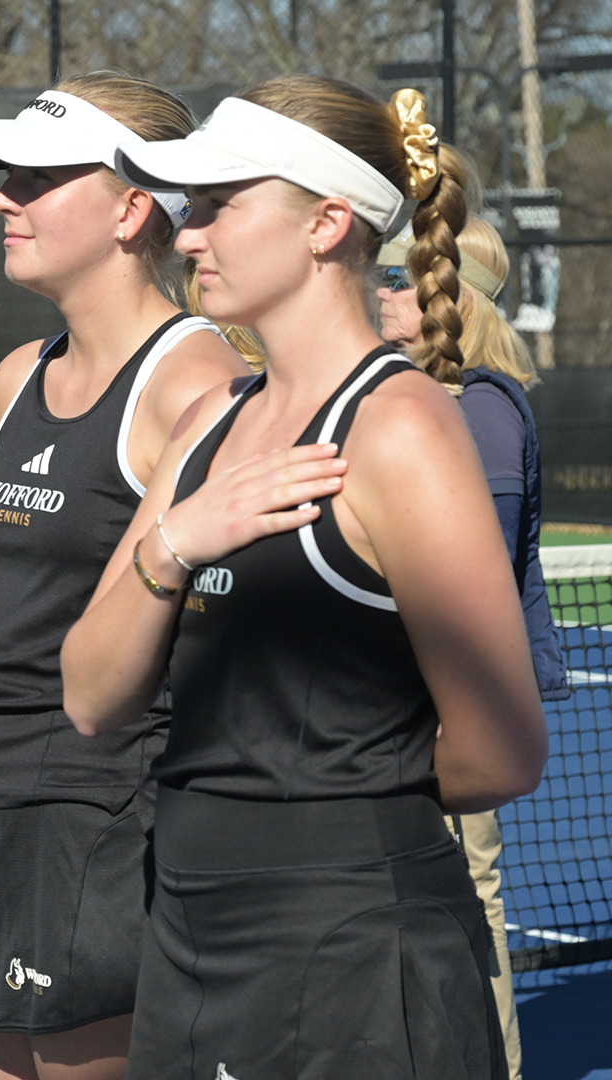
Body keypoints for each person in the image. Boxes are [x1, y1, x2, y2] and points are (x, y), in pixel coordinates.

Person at [61, 77, 547, 1079]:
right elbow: (90, 694)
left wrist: (329, 808)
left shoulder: (403, 427)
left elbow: (501, 751)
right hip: (186, 934)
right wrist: (173, 543)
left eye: (219, 206)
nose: (188, 236)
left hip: (360, 956)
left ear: (328, 223)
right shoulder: (206, 425)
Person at [0, 74, 249, 1080]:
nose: (4, 199)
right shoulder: (17, 376)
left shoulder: (196, 382)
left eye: (38, 178)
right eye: (5, 179)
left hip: (108, 814)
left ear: (131, 207)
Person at [376, 207, 570, 1080]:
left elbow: (467, 588)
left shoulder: (483, 411)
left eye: (394, 282)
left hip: (451, 710)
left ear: (449, 303)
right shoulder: (421, 397)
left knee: (468, 901)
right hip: (403, 704)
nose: (378, 295)